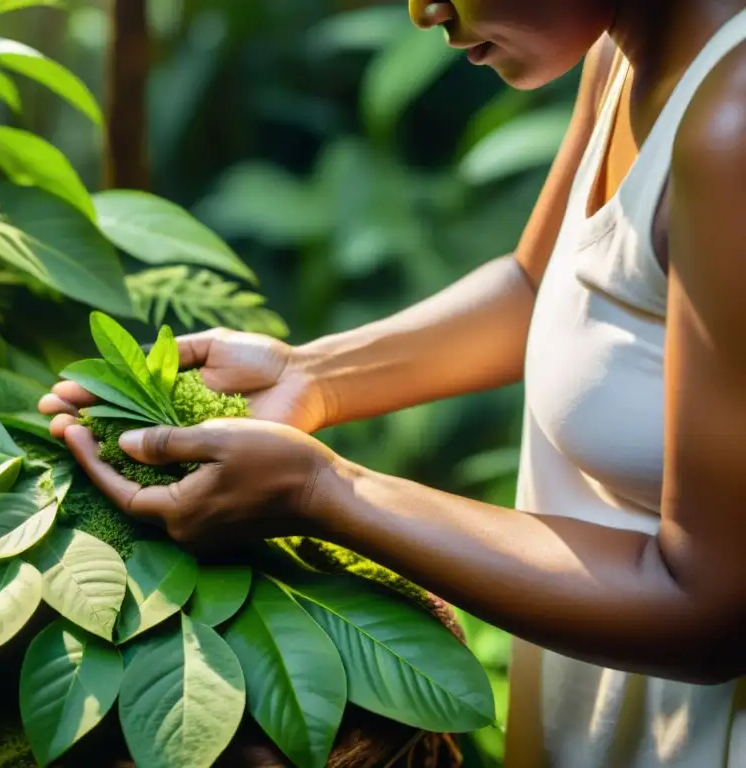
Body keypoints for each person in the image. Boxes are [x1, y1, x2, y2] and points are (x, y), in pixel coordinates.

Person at [40, 1, 746, 765]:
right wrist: (313, 376)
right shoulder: (626, 47)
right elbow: (544, 286)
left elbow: (712, 611)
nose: (422, 11)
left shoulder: (731, 129)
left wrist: (328, 493)